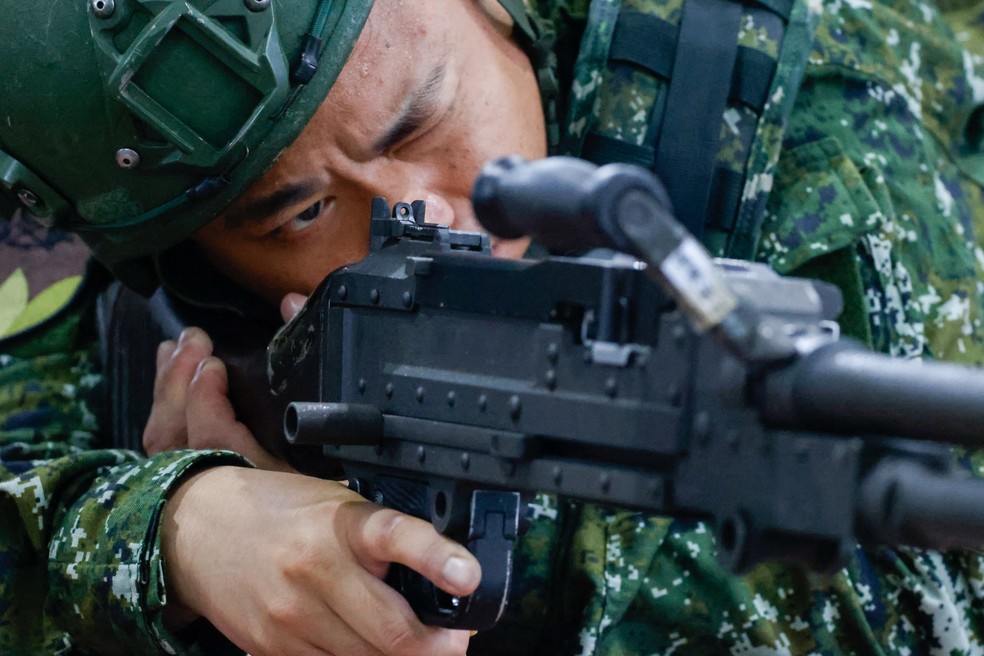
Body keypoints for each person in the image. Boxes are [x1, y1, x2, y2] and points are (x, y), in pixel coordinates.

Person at [2, 0, 984, 655]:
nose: (424, 208)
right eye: (296, 212)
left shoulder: (824, 119)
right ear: (199, 272)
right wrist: (174, 533)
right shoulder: (153, 314)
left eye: (423, 117)